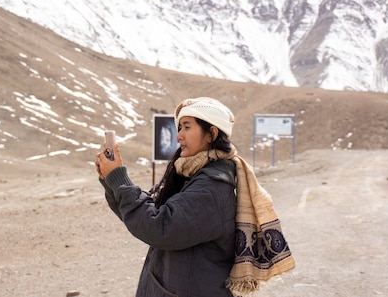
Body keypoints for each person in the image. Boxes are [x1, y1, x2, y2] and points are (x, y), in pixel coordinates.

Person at [95, 97, 295, 297]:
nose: (179, 135)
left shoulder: (210, 189)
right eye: (179, 127)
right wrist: (112, 182)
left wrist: (119, 179)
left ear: (212, 133)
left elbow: (158, 227)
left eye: (186, 127)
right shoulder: (193, 176)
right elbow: (143, 217)